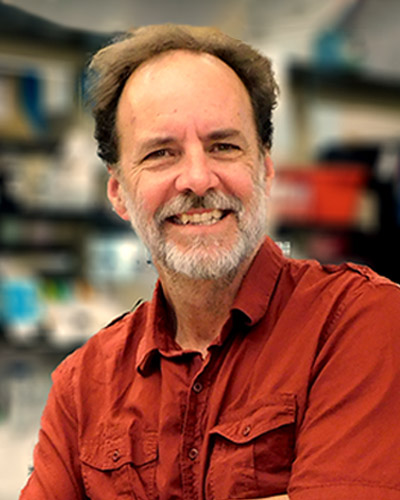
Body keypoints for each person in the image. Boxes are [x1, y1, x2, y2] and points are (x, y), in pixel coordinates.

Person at [20, 24, 400, 500]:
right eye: (161, 153)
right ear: (118, 191)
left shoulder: (359, 321)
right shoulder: (82, 384)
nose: (198, 179)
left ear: (265, 169)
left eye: (224, 146)